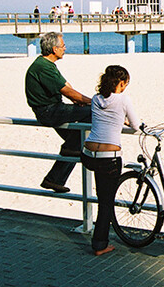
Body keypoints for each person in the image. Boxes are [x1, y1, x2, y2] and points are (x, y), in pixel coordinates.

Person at [81, 65, 141, 256]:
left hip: (89, 154)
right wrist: (125, 121)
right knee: (106, 202)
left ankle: (99, 239)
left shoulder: (96, 99)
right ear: (121, 83)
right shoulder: (124, 99)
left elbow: (105, 117)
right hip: (109, 158)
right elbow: (136, 125)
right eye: (126, 84)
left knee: (101, 197)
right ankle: (100, 245)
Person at [25, 32, 92, 193]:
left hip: (52, 109)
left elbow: (66, 86)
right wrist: (93, 102)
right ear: (54, 49)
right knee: (93, 112)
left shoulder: (47, 65)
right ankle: (70, 148)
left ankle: (54, 180)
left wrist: (80, 100)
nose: (65, 49)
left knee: (77, 145)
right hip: (49, 111)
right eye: (62, 46)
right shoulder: (43, 67)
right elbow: (67, 92)